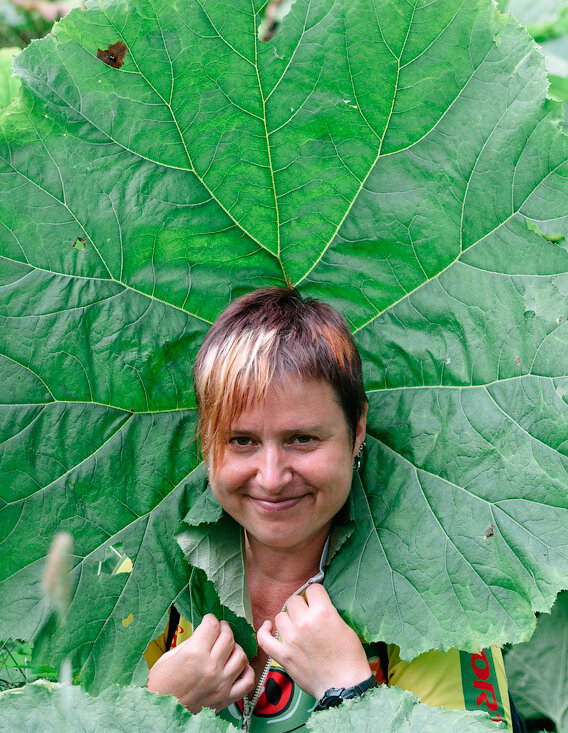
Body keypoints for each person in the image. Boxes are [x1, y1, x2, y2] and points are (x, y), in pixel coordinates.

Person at [143, 286, 523, 731]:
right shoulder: (161, 586)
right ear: (206, 441)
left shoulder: (436, 600)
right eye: (241, 440)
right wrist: (157, 708)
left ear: (356, 428)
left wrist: (350, 694)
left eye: (301, 439)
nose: (271, 476)